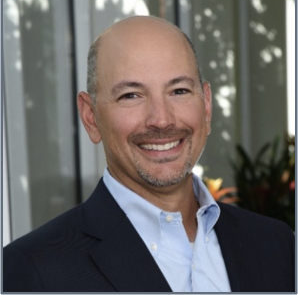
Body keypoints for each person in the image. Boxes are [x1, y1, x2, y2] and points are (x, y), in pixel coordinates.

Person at [3, 16, 294, 292]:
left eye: (179, 90)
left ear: (206, 106)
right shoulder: (30, 273)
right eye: (131, 95)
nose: (162, 119)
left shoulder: (277, 245)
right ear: (91, 117)